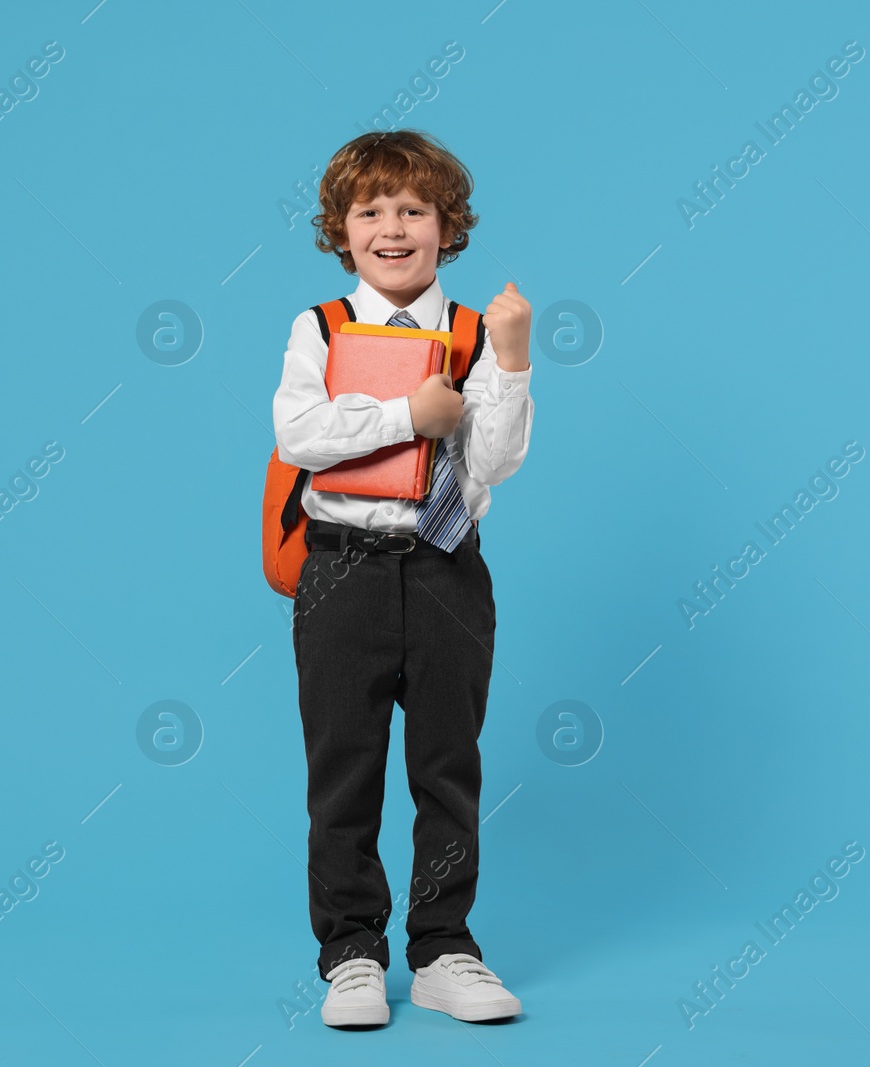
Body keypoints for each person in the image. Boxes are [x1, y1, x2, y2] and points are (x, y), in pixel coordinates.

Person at [271, 128, 534, 1027]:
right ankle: (349, 952)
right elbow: (300, 437)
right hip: (341, 569)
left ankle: (443, 947)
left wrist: (514, 358)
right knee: (343, 763)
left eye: (413, 209)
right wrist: (403, 413)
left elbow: (493, 462)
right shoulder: (320, 327)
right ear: (340, 229)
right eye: (371, 210)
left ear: (446, 227)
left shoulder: (472, 330)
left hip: (447, 569)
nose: (393, 227)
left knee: (446, 763)